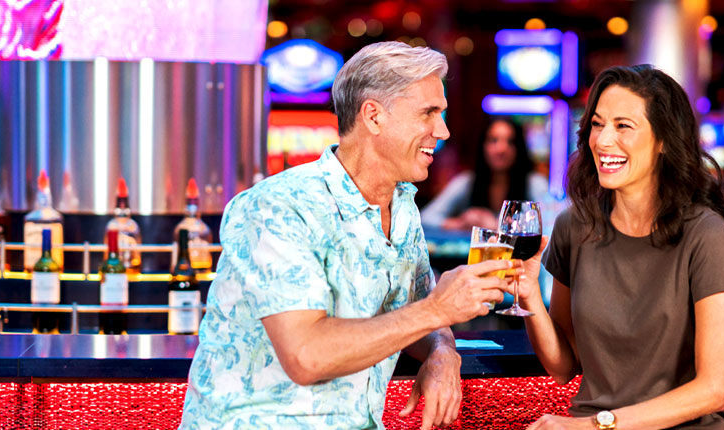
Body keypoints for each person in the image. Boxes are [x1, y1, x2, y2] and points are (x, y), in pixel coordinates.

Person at [179, 41, 518, 429]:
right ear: (373, 116)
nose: (442, 130)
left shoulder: (402, 205)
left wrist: (442, 351)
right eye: (428, 113)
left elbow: (418, 309)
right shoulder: (278, 206)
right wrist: (438, 310)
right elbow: (306, 356)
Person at [518, 65, 724, 430]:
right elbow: (563, 366)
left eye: (623, 126)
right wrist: (529, 297)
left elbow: (715, 390)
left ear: (664, 140)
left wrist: (596, 425)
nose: (603, 141)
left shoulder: (704, 231)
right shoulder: (574, 225)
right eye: (597, 124)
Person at [420, 117, 549, 231]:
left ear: (519, 148)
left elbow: (549, 225)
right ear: (483, 146)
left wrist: (495, 225)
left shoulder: (535, 184)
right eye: (493, 140)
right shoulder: (466, 182)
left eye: (510, 142)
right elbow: (426, 217)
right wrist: (460, 223)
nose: (501, 149)